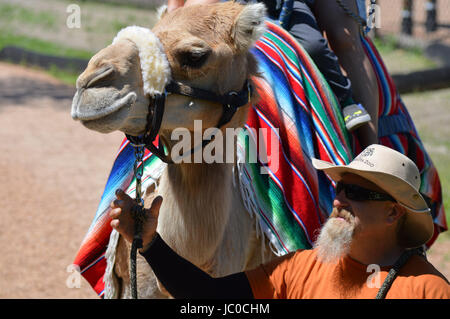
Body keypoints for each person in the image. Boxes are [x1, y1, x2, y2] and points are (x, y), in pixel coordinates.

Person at [109, 144, 450, 298]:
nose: (339, 199)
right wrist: (151, 242)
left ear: (393, 212)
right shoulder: (301, 268)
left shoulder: (427, 290)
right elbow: (209, 297)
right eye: (341, 187)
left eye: (358, 194)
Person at [165, 0, 379, 148]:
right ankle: (156, 117)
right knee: (183, 29)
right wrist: (173, 10)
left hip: (288, 5)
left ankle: (357, 123)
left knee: (321, 44)